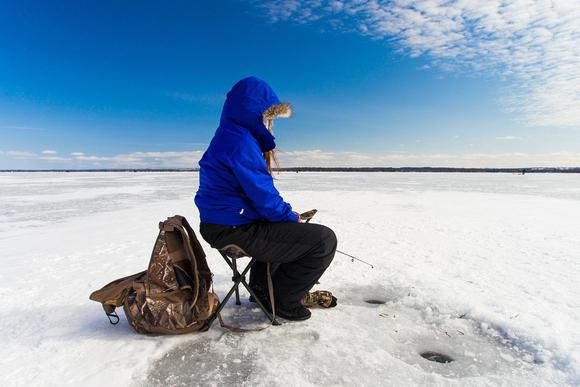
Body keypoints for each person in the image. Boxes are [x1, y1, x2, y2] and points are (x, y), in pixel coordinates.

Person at [195, 76, 336, 321]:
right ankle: (282, 301)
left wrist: (285, 217)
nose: (270, 123)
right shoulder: (240, 142)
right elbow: (264, 197)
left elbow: (258, 197)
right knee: (323, 241)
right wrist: (290, 216)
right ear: (253, 111)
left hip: (224, 224)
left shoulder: (231, 136)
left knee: (278, 226)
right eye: (268, 116)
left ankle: (261, 289)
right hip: (231, 229)